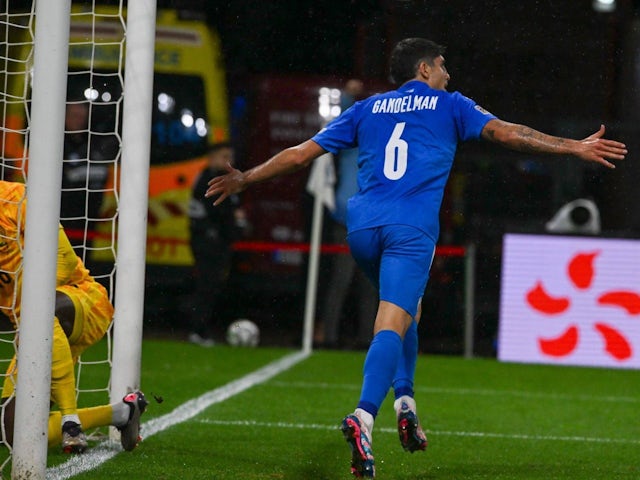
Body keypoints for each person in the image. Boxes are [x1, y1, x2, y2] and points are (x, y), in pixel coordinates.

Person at [204, 38, 627, 478]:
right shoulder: (449, 104)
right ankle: (364, 416)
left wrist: (247, 177)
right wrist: (572, 147)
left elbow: (299, 155)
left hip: (363, 229)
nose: (448, 74)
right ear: (424, 69)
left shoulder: (366, 108)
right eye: (443, 66)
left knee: (408, 311)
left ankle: (405, 402)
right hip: (411, 229)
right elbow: (507, 133)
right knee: (391, 320)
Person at [0, 180, 147, 453]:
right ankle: (123, 412)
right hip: (33, 329)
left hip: (81, 300)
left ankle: (70, 420)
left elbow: (65, 262)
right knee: (11, 431)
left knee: (43, 308)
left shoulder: (13, 197)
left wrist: (29, 305)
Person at [318, 79, 377, 350]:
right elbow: (343, 118)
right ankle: (330, 336)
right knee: (341, 282)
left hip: (372, 221)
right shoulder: (350, 139)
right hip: (347, 219)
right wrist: (347, 96)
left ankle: (367, 338)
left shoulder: (379, 143)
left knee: (369, 286)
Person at [187, 142, 248, 346]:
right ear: (212, 157)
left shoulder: (229, 180)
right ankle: (198, 330)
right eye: (223, 156)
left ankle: (206, 329)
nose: (227, 161)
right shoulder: (206, 179)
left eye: (229, 156)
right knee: (207, 286)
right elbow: (210, 212)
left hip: (222, 241)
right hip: (208, 242)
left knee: (215, 287)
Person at [61, 101, 118, 261]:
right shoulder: (57, 144)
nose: (78, 120)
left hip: (89, 220)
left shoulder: (95, 145)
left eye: (82, 117)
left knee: (83, 264)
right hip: (62, 219)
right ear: (64, 116)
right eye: (74, 116)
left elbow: (103, 175)